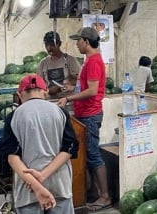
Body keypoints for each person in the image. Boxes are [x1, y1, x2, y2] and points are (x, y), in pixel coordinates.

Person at [2, 74, 79, 213]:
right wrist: (43, 175)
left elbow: (12, 157)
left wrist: (36, 185)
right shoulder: (59, 112)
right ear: (46, 92)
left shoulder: (14, 116)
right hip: (59, 185)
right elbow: (69, 148)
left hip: (28, 189)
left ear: (20, 94)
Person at [57, 27, 112, 211]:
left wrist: (68, 98)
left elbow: (93, 91)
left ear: (87, 42)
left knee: (94, 155)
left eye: (78, 40)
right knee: (89, 155)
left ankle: (105, 197)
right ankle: (96, 192)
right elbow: (85, 87)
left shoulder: (94, 61)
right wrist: (72, 89)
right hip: (85, 113)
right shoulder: (89, 60)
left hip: (90, 114)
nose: (76, 44)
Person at [36, 31, 81, 98]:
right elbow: (39, 84)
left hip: (68, 99)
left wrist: (64, 85)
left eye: (52, 45)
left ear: (59, 44)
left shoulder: (70, 60)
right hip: (50, 101)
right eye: (46, 45)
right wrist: (49, 90)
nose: (49, 48)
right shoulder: (43, 64)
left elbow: (79, 81)